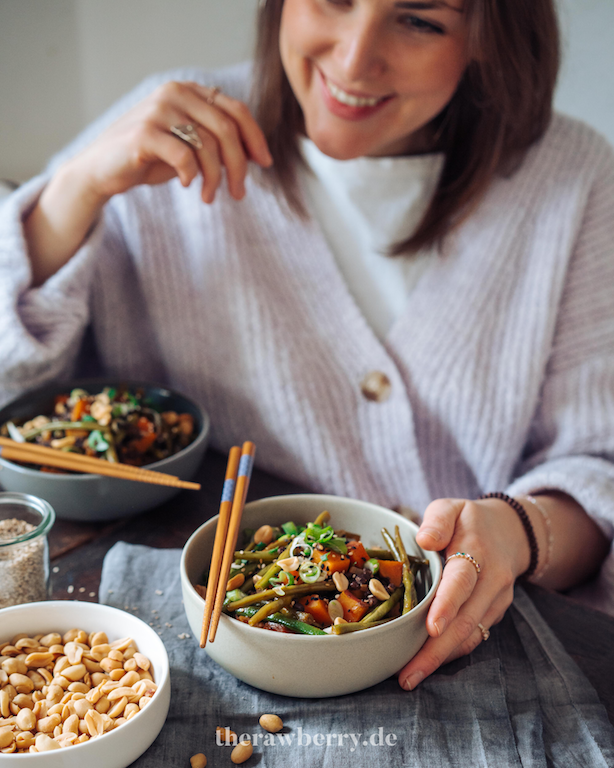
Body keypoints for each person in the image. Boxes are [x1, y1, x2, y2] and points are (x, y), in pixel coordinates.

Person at [1, 0, 613, 692]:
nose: (354, 60)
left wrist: (518, 532)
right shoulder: (169, 134)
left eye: (420, 20)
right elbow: (14, 395)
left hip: (485, 655)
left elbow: (598, 470)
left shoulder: (574, 177)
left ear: (489, 37)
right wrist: (75, 189)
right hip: (211, 638)